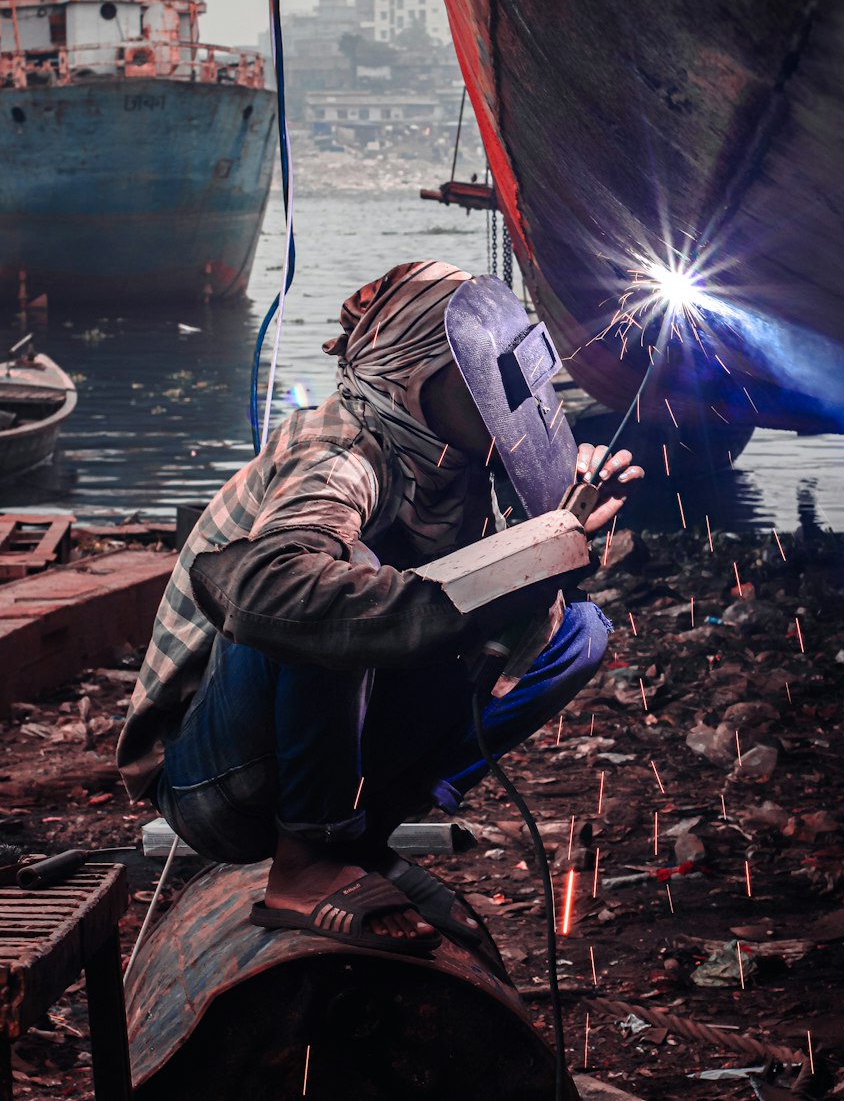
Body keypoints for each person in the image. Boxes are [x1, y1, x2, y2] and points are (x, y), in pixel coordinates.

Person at [117, 260, 643, 962]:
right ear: (417, 377)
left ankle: (359, 842)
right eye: (487, 385)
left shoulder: (456, 460)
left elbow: (505, 595)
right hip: (208, 780)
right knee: (338, 584)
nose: (510, 406)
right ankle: (305, 863)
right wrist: (465, 603)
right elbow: (274, 589)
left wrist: (563, 528)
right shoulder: (342, 453)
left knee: (577, 633)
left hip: (310, 757)